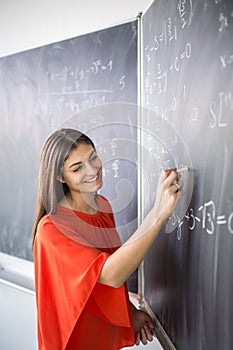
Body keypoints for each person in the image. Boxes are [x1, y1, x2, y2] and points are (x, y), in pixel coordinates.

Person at [33, 128, 183, 350]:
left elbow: (99, 280)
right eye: (77, 168)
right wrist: (158, 214)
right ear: (59, 177)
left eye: (93, 157)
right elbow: (109, 274)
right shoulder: (52, 230)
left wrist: (130, 311)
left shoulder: (102, 206)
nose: (93, 169)